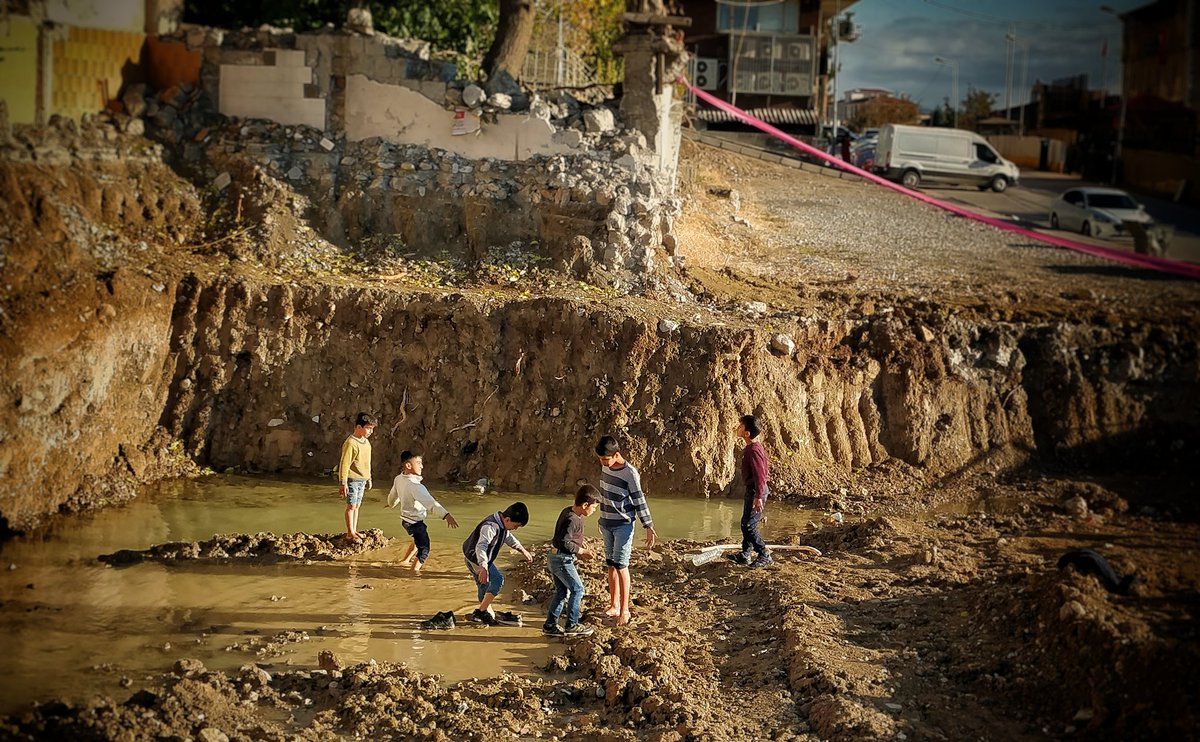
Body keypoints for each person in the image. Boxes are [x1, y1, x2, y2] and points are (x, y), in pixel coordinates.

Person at [595, 435, 656, 626]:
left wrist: (648, 525)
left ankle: (625, 609)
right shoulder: (605, 465)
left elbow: (639, 499)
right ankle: (613, 604)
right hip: (606, 522)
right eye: (601, 460)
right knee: (611, 564)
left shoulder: (630, 473)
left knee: (622, 565)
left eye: (606, 459)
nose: (603, 463)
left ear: (617, 455)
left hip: (623, 524)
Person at [386, 450, 459, 572]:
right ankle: (413, 573)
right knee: (424, 550)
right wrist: (446, 515)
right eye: (419, 463)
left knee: (417, 540)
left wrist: (390, 504)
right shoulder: (416, 486)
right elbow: (432, 504)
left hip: (405, 520)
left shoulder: (399, 478)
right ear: (408, 465)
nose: (422, 466)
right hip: (415, 523)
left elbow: (393, 495)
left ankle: (405, 561)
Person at [543, 485, 601, 637]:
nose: (594, 511)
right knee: (578, 589)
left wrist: (581, 543)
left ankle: (550, 625)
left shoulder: (568, 511)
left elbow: (567, 536)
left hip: (555, 557)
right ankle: (572, 625)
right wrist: (582, 551)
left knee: (561, 592)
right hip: (563, 559)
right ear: (585, 505)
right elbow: (565, 542)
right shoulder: (573, 520)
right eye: (593, 508)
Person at [462, 502, 532, 626]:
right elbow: (481, 547)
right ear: (507, 519)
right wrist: (483, 566)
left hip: (477, 559)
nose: (515, 529)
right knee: (498, 580)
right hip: (476, 559)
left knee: (484, 584)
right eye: (516, 526)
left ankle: (482, 611)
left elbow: (508, 537)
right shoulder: (490, 526)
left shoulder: (502, 524)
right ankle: (481, 612)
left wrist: (522, 550)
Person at [727, 414, 772, 568]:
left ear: (747, 433)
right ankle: (745, 554)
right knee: (746, 522)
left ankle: (764, 553)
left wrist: (758, 495)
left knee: (748, 525)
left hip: (756, 491)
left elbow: (760, 474)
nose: (737, 428)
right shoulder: (753, 447)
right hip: (754, 491)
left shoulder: (753, 449)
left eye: (740, 426)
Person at [338, 412, 377, 543]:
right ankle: (350, 532)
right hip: (352, 479)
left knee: (357, 506)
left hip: (362, 479)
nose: (370, 431)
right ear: (358, 427)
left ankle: (354, 530)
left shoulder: (366, 443)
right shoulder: (351, 443)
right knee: (351, 506)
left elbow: (367, 462)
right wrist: (343, 482)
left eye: (372, 428)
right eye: (368, 428)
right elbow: (345, 463)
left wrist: (369, 478)